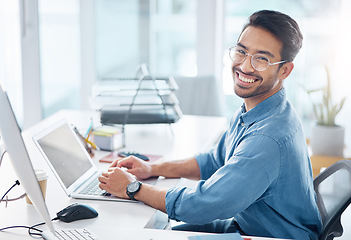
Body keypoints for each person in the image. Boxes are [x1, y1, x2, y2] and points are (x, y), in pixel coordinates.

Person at [99, 10, 322, 240]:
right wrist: (152, 169)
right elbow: (215, 159)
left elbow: (205, 204)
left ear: (285, 70)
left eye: (261, 59)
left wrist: (133, 189)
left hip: (270, 236)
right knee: (151, 233)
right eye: (242, 52)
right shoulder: (257, 109)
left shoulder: (268, 138)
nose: (245, 66)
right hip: (246, 226)